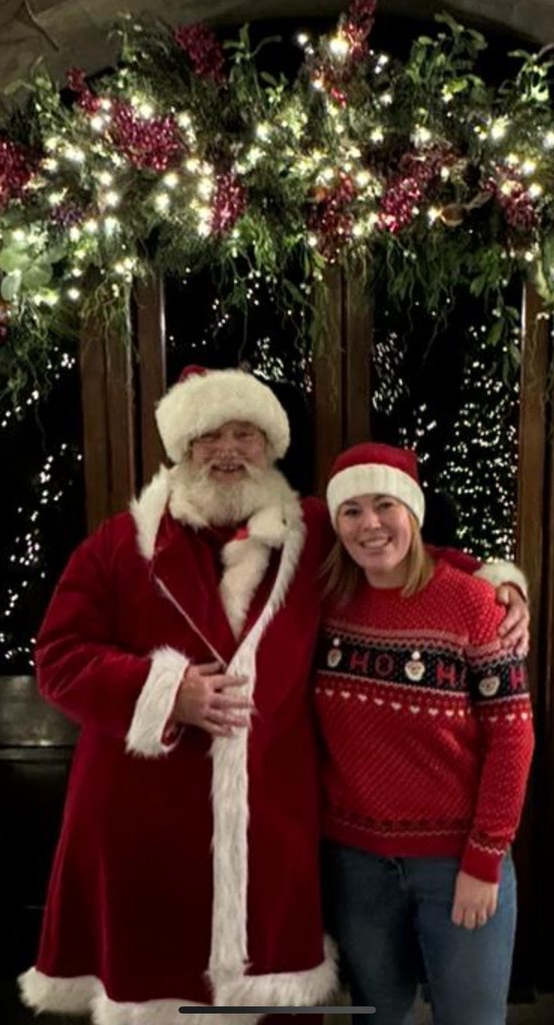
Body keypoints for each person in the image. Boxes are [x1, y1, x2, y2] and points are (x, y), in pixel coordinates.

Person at [19, 367, 529, 1024]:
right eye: (208, 435)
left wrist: (496, 580)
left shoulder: (309, 532)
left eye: (245, 435)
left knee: (272, 999)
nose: (227, 450)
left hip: (270, 828)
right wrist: (164, 692)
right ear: (180, 446)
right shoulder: (120, 546)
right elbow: (57, 658)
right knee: (156, 995)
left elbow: (397, 556)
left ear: (271, 447)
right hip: (142, 823)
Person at [316, 442, 534, 1025]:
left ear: (412, 512)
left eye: (385, 504)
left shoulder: (475, 603)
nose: (370, 525)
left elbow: (512, 739)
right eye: (352, 510)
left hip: (455, 861)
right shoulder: (326, 602)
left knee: (471, 1017)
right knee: (377, 1014)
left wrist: (484, 858)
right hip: (354, 863)